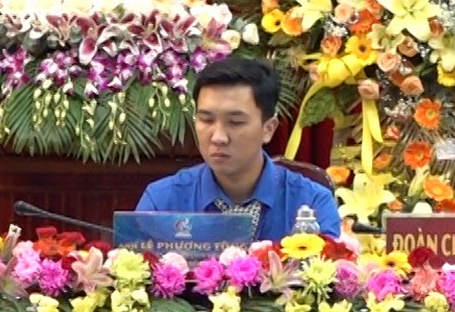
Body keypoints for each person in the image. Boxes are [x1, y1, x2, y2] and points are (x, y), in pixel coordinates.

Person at [135, 56, 342, 239]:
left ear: (268, 129)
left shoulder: (312, 202)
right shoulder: (161, 202)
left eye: (235, 122)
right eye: (206, 120)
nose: (218, 137)